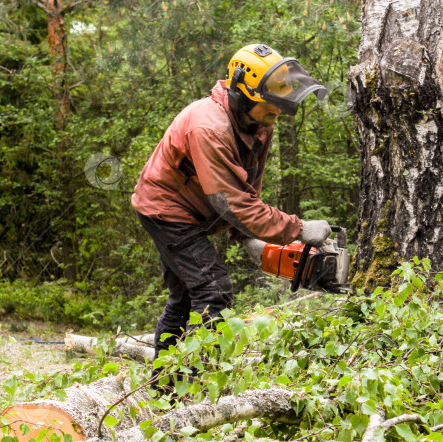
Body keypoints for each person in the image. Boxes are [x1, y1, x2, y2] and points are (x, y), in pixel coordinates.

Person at [132, 43, 331, 371]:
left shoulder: (258, 121)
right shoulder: (209, 126)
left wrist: (248, 236)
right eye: (271, 105)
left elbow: (247, 188)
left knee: (184, 299)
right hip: (166, 208)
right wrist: (298, 229)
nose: (276, 112)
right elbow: (230, 201)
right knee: (213, 291)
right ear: (242, 93)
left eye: (280, 104)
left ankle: (164, 383)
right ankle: (189, 381)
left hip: (201, 208)